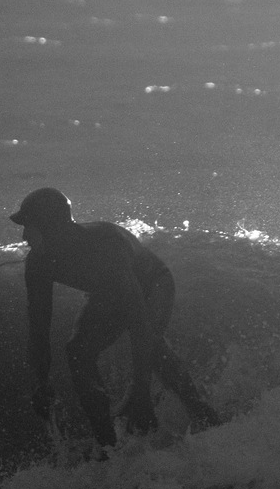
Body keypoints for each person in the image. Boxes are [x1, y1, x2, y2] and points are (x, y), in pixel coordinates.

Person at [11, 187, 220, 446]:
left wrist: (140, 394)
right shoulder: (38, 264)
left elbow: (139, 324)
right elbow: (38, 331)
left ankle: (203, 414)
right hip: (109, 292)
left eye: (29, 226)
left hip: (153, 283)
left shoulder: (104, 248)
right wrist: (40, 384)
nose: (24, 236)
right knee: (77, 352)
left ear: (51, 227)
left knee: (152, 347)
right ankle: (106, 444)